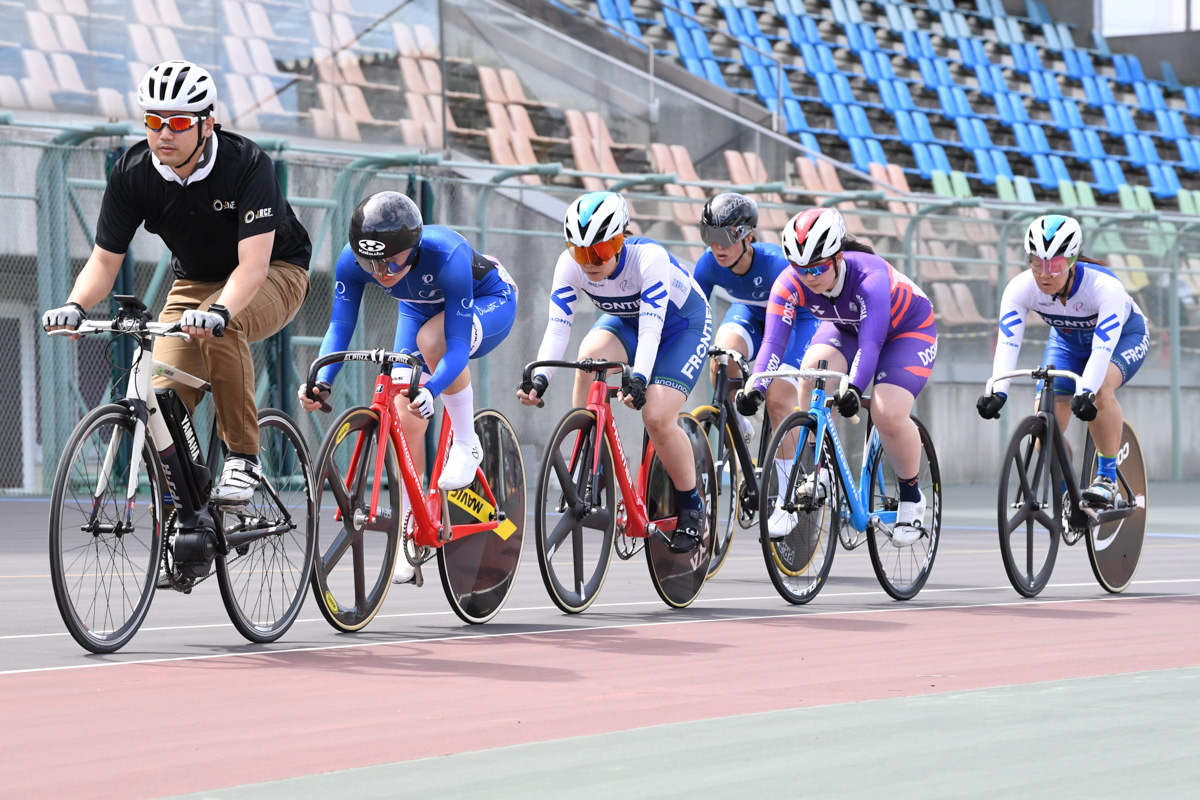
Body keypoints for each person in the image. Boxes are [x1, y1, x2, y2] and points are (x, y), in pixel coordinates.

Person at [42, 59, 311, 505]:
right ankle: (185, 525)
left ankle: (243, 457)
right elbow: (105, 262)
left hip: (275, 271)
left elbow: (252, 268)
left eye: (179, 122)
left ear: (207, 125)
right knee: (161, 396)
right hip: (194, 282)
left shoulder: (247, 164)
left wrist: (220, 311)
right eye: (154, 121)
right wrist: (76, 305)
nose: (164, 134)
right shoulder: (132, 172)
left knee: (225, 326)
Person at [298, 191, 518, 583]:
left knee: (432, 344)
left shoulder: (447, 254)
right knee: (404, 415)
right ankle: (409, 527)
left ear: (413, 250)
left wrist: (432, 390)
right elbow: (340, 326)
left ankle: (467, 441)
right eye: (370, 264)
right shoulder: (353, 260)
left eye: (390, 263)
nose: (380, 273)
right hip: (417, 308)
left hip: (487, 299)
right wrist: (321, 381)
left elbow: (452, 349)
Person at [516, 191, 712, 554]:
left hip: (680, 326)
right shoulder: (568, 264)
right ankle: (591, 462)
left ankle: (692, 506)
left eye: (600, 252)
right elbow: (558, 329)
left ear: (621, 241)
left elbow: (653, 328)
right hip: (630, 322)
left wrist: (639, 378)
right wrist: (541, 378)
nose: (589, 262)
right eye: (580, 252)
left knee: (655, 415)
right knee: (587, 360)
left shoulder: (647, 258)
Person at [739, 207, 937, 546]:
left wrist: (855, 389)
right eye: (801, 269)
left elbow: (871, 344)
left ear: (838, 257)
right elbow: (772, 342)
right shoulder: (790, 284)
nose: (810, 277)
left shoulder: (869, 278)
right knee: (812, 372)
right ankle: (821, 471)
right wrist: (756, 386)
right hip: (847, 325)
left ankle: (912, 497)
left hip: (906, 331)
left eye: (817, 268)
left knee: (886, 411)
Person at [976, 214, 1148, 509]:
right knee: (1045, 433)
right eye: (1036, 262)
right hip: (1067, 344)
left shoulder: (1105, 288)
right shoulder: (1020, 288)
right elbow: (1008, 342)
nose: (1045, 274)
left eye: (1054, 265)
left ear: (1072, 261)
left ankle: (1107, 479)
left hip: (1123, 339)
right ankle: (1070, 488)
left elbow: (1101, 349)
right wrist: (998, 390)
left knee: (1102, 388)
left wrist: (1086, 392)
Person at [693, 193, 818, 442]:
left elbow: (809, 311)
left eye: (725, 237)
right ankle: (739, 429)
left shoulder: (777, 264)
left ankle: (786, 481)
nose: (716, 246)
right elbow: (692, 315)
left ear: (748, 236)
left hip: (795, 323)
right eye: (709, 236)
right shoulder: (708, 264)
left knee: (778, 400)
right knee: (721, 360)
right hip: (750, 313)